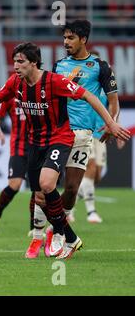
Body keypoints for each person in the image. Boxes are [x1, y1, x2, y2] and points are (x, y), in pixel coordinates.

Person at [0, 42, 129, 260]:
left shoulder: (54, 81)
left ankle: (60, 233)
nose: (16, 65)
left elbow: (88, 96)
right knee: (40, 196)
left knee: (47, 183)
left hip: (59, 138)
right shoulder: (15, 82)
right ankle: (70, 237)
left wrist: (110, 122)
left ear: (33, 62)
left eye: (21, 61)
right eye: (14, 61)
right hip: (35, 142)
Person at [34, 20, 122, 251]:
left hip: (83, 134)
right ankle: (45, 233)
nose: (65, 42)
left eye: (70, 38)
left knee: (72, 187)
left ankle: (57, 229)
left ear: (84, 39)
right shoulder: (59, 65)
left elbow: (114, 102)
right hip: (57, 132)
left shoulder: (100, 67)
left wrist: (111, 124)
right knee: (45, 186)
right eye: (64, 38)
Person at [74, 48, 122, 224]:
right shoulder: (83, 85)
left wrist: (116, 127)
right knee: (91, 167)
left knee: (98, 174)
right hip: (85, 130)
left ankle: (69, 207)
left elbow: (114, 106)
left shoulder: (105, 86)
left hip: (101, 133)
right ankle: (91, 212)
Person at [0, 97, 32, 238]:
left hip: (40, 146)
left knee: (39, 189)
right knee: (14, 185)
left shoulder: (40, 91)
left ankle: (34, 228)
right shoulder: (11, 96)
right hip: (19, 147)